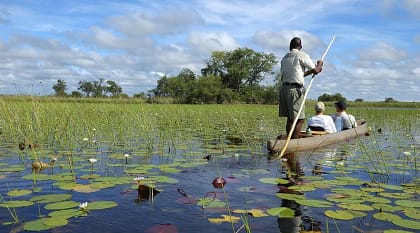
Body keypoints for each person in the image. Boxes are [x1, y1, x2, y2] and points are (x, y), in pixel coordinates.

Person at [279, 37, 324, 139]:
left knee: (290, 118)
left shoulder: (285, 58)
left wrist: (312, 71)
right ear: (301, 47)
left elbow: (299, 74)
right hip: (295, 90)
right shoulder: (301, 55)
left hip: (284, 89)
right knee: (299, 119)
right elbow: (316, 70)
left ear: (290, 47)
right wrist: (319, 65)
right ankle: (294, 143)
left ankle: (290, 141)